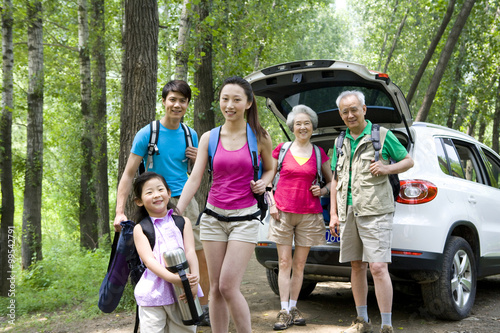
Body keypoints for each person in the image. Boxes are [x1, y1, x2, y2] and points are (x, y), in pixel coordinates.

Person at [176, 76, 274, 333]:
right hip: (212, 218)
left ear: (249, 103)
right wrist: (175, 212)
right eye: (225, 99)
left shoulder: (260, 136)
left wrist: (263, 182)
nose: (229, 105)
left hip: (245, 218)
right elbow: (195, 178)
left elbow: (270, 168)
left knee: (228, 286)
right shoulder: (210, 137)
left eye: (236, 100)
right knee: (216, 288)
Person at [113, 80, 210, 325]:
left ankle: (202, 306)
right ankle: (161, 303)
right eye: (172, 99)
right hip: (156, 201)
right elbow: (128, 174)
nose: (177, 105)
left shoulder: (191, 134)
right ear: (164, 101)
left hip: (185, 201)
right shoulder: (147, 134)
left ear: (187, 104)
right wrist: (119, 212)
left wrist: (200, 158)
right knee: (156, 256)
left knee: (196, 252)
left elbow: (198, 172)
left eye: (182, 101)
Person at [329, 91, 414, 333]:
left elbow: (408, 161)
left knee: (378, 267)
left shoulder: (382, 135)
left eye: (354, 109)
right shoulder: (339, 141)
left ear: (364, 109)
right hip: (348, 212)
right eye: (345, 111)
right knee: (356, 266)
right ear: (341, 115)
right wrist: (334, 213)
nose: (350, 114)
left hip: (376, 211)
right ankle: (362, 322)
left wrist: (387, 168)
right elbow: (335, 178)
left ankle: (387, 325)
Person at [266, 105, 332, 330]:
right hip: (282, 212)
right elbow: (267, 181)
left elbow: (332, 182)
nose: (302, 127)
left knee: (300, 264)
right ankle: (283, 310)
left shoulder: (318, 153)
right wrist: (271, 203)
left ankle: (294, 307)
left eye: (306, 123)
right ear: (292, 127)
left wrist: (322, 191)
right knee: (284, 263)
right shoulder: (281, 149)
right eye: (298, 124)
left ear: (312, 126)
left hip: (309, 215)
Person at [132, 172, 202, 333]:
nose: (156, 195)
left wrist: (194, 281)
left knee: (185, 329)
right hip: (153, 295)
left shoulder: (183, 222)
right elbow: (149, 261)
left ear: (169, 193)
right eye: (149, 192)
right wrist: (173, 279)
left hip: (183, 291)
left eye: (160, 189)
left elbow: (191, 252)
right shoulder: (140, 229)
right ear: (139, 201)